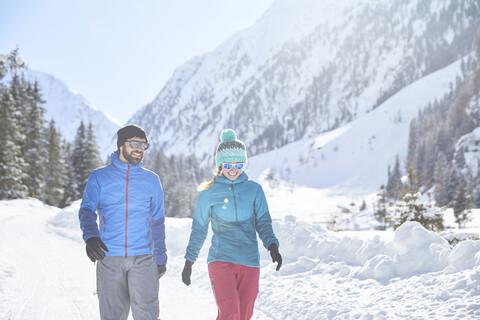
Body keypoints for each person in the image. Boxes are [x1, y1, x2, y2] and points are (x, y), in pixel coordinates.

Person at [182, 128, 282, 320]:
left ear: (244, 163)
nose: (234, 169)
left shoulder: (254, 190)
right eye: (228, 164)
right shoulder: (209, 192)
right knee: (230, 313)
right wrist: (189, 261)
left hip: (250, 262)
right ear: (220, 165)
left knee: (244, 315)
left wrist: (272, 246)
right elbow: (199, 229)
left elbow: (263, 222)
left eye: (239, 164)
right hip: (221, 260)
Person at [78, 124, 167, 320]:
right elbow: (86, 210)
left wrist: (160, 257)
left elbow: (158, 222)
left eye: (144, 145)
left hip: (144, 258)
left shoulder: (152, 180)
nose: (139, 149)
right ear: (121, 145)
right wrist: (91, 236)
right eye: (134, 143)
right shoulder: (99, 177)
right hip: (109, 257)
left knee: (148, 315)